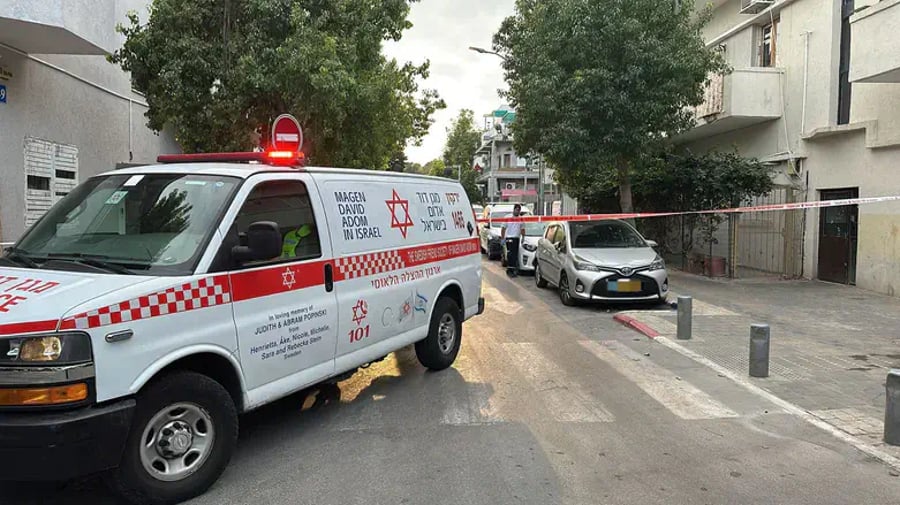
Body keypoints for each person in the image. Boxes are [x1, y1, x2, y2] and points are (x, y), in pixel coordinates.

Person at [501, 204, 525, 277]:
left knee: (514, 255)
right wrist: (502, 238)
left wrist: (523, 237)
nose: (517, 211)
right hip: (509, 238)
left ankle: (513, 270)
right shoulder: (507, 217)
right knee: (510, 255)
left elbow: (522, 229)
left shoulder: (521, 219)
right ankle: (509, 270)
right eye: (516, 210)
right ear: (514, 209)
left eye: (519, 210)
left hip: (516, 238)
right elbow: (503, 228)